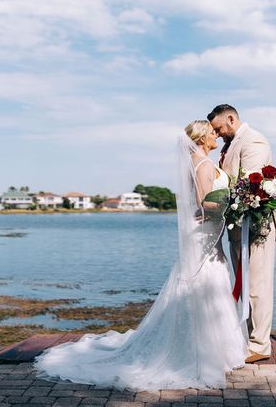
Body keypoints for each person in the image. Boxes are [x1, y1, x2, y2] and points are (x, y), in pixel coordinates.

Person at [33, 120, 247, 390]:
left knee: (203, 283)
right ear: (203, 137)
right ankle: (204, 352)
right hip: (204, 231)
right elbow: (206, 202)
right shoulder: (203, 163)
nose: (216, 136)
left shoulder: (196, 161)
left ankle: (212, 348)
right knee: (206, 281)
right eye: (212, 133)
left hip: (204, 233)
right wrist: (236, 204)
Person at [208, 104, 276, 364]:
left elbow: (249, 185)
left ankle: (261, 344)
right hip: (238, 225)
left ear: (231, 118)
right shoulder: (232, 143)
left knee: (257, 286)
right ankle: (250, 338)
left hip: (256, 225)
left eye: (219, 129)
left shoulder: (254, 140)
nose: (217, 135)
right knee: (245, 284)